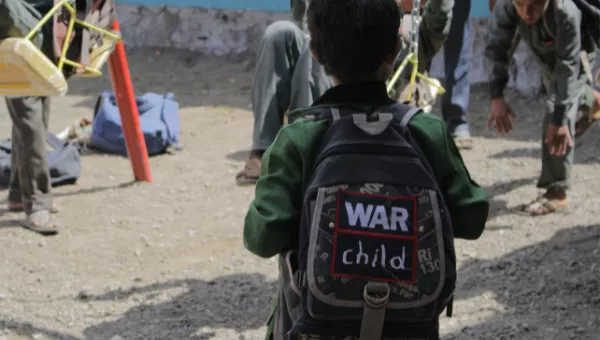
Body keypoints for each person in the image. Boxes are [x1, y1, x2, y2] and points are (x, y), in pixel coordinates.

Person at [243, 0, 489, 338]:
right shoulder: (426, 131)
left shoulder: (299, 137)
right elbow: (473, 217)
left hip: (317, 326)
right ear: (395, 49)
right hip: (409, 328)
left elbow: (262, 237)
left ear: (313, 51)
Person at [235, 0, 454, 185]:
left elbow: (439, 21)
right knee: (279, 33)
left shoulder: (414, 29)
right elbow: (307, 18)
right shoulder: (348, 10)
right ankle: (263, 149)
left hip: (365, 86)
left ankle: (301, 154)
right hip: (334, 54)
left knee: (312, 56)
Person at [486, 0, 600, 216]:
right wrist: (496, 97)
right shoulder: (508, 7)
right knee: (566, 102)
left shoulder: (566, 12)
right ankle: (590, 100)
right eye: (520, 4)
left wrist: (559, 119)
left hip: (576, 56)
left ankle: (556, 191)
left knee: (556, 113)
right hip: (545, 56)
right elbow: (496, 49)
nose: (527, 13)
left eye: (536, 4)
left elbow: (567, 69)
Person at [1, 0, 58, 235]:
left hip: (42, 28)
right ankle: (37, 202)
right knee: (29, 119)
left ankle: (18, 192)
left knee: (36, 113)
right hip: (15, 37)